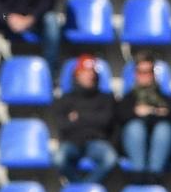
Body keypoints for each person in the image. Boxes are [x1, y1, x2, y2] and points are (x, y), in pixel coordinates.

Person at [50, 55, 119, 184]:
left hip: (97, 141)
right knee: (58, 159)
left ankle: (83, 187)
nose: (89, 76)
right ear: (77, 75)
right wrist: (93, 117)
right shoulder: (65, 99)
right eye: (85, 72)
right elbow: (62, 125)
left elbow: (105, 122)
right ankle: (80, 186)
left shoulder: (106, 98)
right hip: (72, 142)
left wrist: (79, 117)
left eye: (91, 72)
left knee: (110, 158)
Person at [117, 56, 171, 176]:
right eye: (141, 72)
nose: (145, 76)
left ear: (154, 74)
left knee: (164, 129)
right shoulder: (128, 98)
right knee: (135, 128)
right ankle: (138, 174)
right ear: (136, 74)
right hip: (132, 146)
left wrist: (151, 111)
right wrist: (137, 113)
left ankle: (154, 176)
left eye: (148, 72)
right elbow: (120, 116)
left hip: (162, 147)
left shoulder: (165, 97)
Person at [0, 0, 62, 86]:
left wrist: (31, 18)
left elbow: (48, 2)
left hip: (37, 18)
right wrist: (9, 17)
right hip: (6, 17)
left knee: (51, 20)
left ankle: (50, 72)